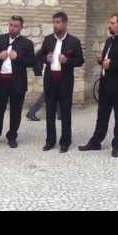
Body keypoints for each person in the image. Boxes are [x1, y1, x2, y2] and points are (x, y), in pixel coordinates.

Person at [79, 12, 118, 158]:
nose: (109, 25)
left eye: (112, 23)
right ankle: (95, 142)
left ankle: (117, 145)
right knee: (102, 116)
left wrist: (111, 64)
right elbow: (108, 62)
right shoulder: (109, 40)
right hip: (106, 85)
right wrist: (102, 61)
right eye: (110, 23)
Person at [37, 12, 84, 153]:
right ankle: (50, 141)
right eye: (54, 22)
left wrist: (68, 61)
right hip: (50, 82)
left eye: (58, 22)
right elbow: (39, 56)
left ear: (65, 23)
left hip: (65, 83)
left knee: (65, 113)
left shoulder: (73, 41)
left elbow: (80, 60)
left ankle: (65, 142)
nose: (55, 25)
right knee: (49, 113)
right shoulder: (48, 40)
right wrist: (47, 58)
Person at [0, 16, 35, 149]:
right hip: (1, 80)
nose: (12, 28)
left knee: (15, 111)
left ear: (21, 28)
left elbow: (32, 62)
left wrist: (18, 58)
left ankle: (12, 136)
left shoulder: (27, 43)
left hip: (17, 82)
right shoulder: (0, 39)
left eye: (16, 26)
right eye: (11, 25)